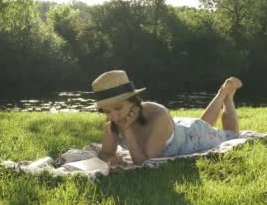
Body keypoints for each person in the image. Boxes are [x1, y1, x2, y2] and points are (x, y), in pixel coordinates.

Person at [92, 70, 242, 165]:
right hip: (178, 130)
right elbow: (106, 153)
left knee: (232, 134)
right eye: (107, 111)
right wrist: (108, 158)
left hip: (194, 136)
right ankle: (221, 93)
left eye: (118, 108)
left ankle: (227, 95)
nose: (114, 116)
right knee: (205, 123)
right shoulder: (114, 120)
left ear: (133, 101)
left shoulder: (158, 115)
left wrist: (129, 130)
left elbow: (144, 163)